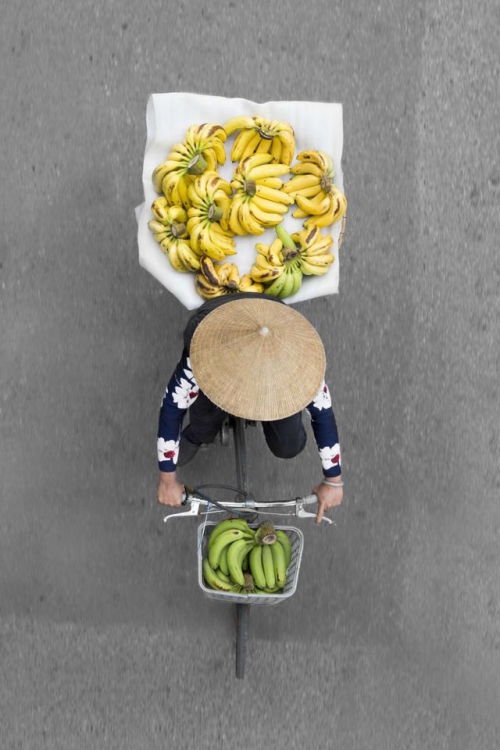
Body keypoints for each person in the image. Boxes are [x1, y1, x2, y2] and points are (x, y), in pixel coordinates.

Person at [156, 293, 343, 524]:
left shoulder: (300, 362)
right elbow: (172, 407)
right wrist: (167, 479)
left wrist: (334, 480)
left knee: (288, 444)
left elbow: (323, 415)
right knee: (204, 420)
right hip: (220, 321)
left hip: (272, 316)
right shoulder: (204, 355)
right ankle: (199, 434)